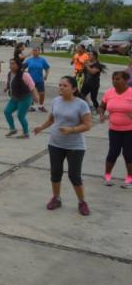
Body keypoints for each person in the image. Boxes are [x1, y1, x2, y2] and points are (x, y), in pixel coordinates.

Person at [33, 76, 92, 215]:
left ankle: (82, 202)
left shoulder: (81, 104)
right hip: (55, 143)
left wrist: (71, 129)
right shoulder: (56, 101)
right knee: (55, 173)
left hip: (75, 146)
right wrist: (41, 127)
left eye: (65, 85)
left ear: (74, 89)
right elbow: (52, 119)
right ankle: (56, 198)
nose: (61, 87)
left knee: (74, 175)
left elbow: (87, 125)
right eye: (60, 85)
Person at [99, 71, 132, 188]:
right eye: (113, 79)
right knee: (113, 153)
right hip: (114, 130)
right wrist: (101, 114)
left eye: (117, 79)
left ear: (126, 80)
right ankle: (107, 176)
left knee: (128, 154)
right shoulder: (109, 93)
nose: (114, 81)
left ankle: (130, 179)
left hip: (130, 131)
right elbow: (102, 106)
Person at [4, 58, 40, 139]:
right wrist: (7, 87)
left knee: (20, 116)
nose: (11, 65)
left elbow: (32, 87)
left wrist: (35, 96)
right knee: (7, 111)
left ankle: (26, 133)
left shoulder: (25, 75)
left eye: (13, 63)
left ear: (18, 65)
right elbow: (10, 82)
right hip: (14, 98)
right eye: (10, 63)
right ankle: (13, 129)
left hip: (25, 98)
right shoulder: (10, 74)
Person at [24, 47, 50, 112]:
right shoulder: (29, 60)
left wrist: (46, 75)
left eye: (36, 50)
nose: (34, 52)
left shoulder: (42, 60)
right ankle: (31, 106)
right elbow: (22, 67)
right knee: (30, 93)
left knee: (42, 93)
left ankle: (41, 106)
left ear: (39, 52)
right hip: (30, 80)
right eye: (33, 50)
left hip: (39, 79)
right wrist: (25, 74)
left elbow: (47, 68)